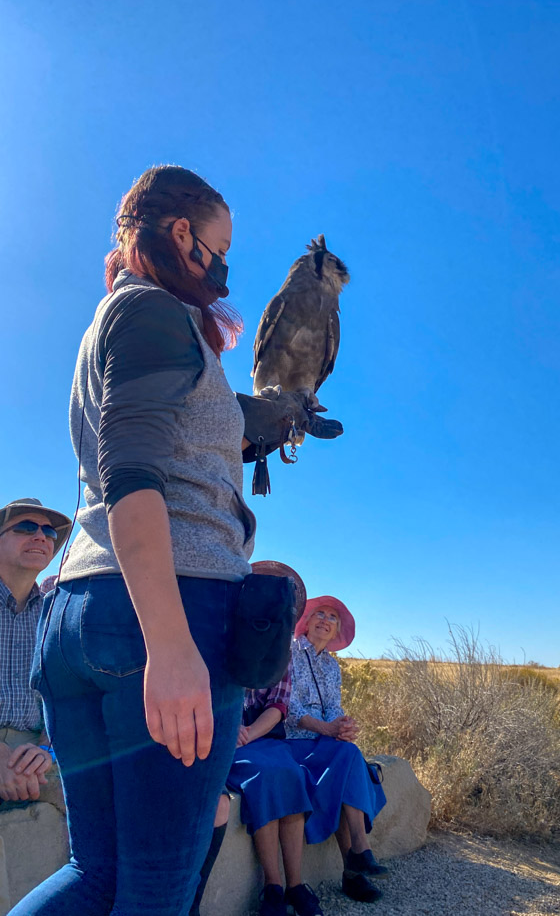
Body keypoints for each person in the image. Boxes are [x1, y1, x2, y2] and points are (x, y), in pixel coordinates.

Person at [9, 165, 339, 916]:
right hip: (161, 609)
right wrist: (171, 645)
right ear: (183, 235)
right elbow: (134, 475)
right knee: (155, 889)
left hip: (83, 613)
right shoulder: (156, 312)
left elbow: (190, 432)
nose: (225, 270)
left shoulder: (131, 315)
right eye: (220, 249)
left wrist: (277, 416)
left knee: (97, 874)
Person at [191, 561, 320, 916]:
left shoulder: (281, 648)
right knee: (264, 777)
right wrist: (228, 728)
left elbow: (278, 705)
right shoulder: (217, 627)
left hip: (256, 734)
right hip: (218, 732)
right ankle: (273, 886)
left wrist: (247, 733)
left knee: (290, 774)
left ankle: (295, 884)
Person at [286, 596, 388, 903]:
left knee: (348, 755)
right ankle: (357, 858)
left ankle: (356, 862)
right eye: (320, 613)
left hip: (325, 743)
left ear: (336, 631)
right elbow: (287, 707)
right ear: (306, 621)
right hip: (291, 742)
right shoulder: (287, 653)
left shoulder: (332, 667)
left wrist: (342, 726)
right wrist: (327, 729)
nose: (325, 620)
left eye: (332, 617)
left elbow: (332, 708)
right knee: (350, 758)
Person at [0, 498, 71, 808]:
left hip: (34, 750)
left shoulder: (54, 615)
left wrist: (46, 749)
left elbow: (65, 697)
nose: (41, 536)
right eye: (26, 527)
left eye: (49, 532)